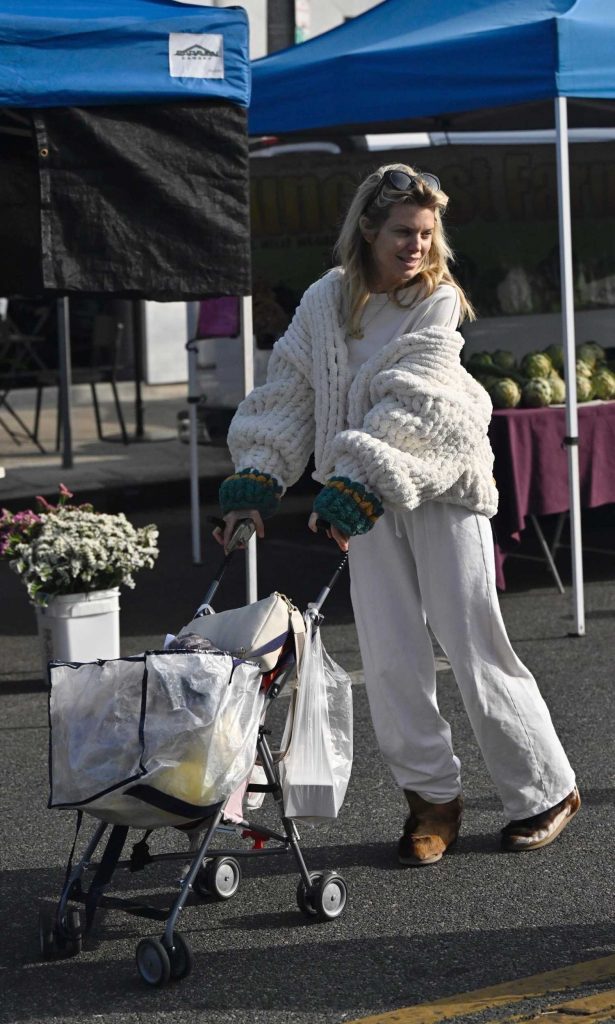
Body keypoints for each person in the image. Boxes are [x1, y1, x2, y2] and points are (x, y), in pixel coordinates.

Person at [214, 163, 580, 866]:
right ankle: (430, 801)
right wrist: (257, 477)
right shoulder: (325, 300)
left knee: (471, 640)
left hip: (439, 488)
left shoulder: (435, 300)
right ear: (367, 230)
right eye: (402, 232)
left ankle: (544, 789)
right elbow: (289, 390)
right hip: (360, 494)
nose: (415, 245)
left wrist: (353, 482)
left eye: (425, 232)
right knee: (388, 654)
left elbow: (412, 400)